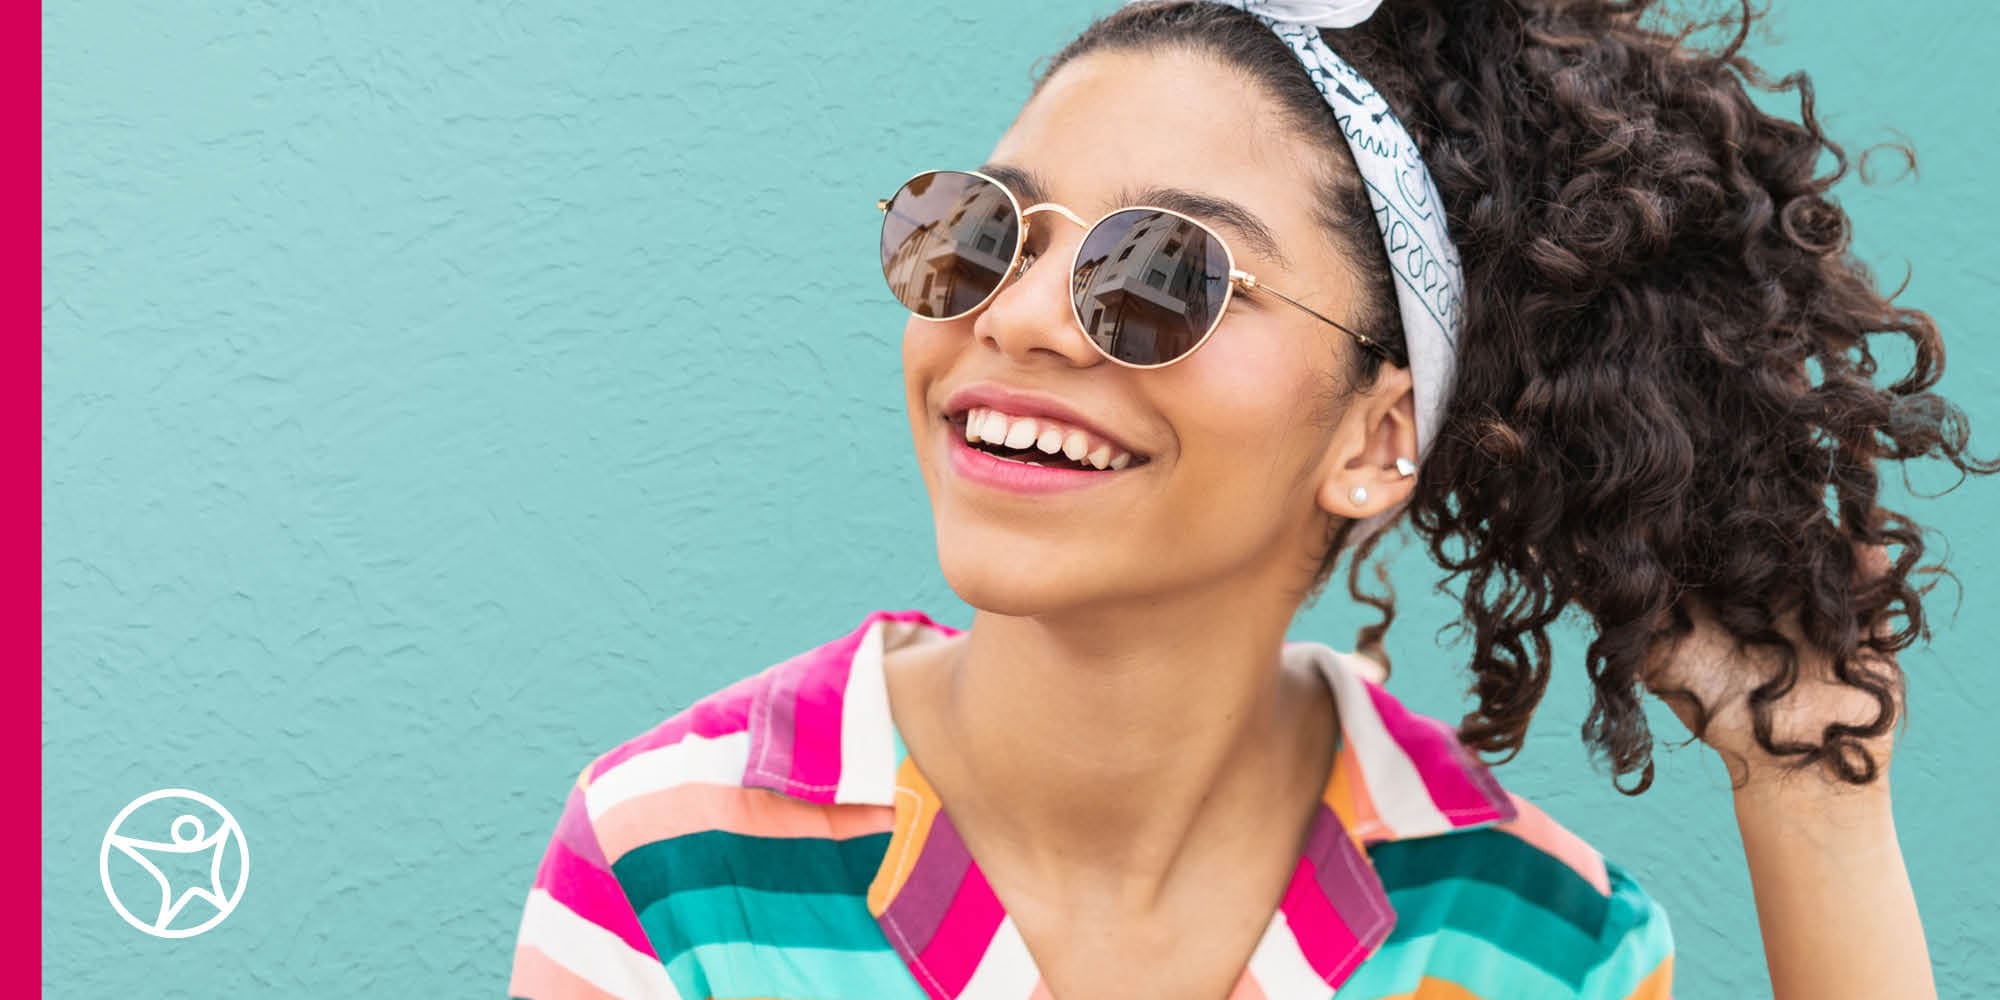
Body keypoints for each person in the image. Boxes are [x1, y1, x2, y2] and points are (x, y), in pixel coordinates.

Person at [507, 1, 1993, 997]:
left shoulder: (1541, 945)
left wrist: (1811, 786)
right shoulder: (679, 862)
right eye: (979, 232)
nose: (1017, 319)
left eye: (1163, 272)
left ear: (1378, 432)